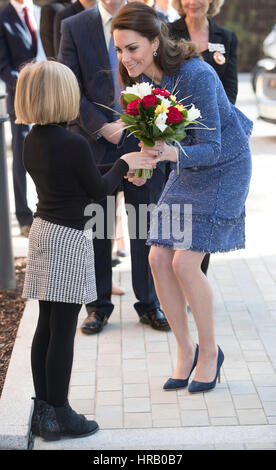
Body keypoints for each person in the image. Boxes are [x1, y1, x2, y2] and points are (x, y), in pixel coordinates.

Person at [111, 2, 252, 393]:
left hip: (225, 166)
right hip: (187, 167)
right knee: (158, 257)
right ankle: (185, 349)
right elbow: (152, 137)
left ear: (155, 43)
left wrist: (168, 155)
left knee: (187, 263)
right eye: (119, 49)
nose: (125, 58)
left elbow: (212, 145)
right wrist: (143, 168)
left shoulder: (196, 75)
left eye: (133, 48)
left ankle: (210, 353)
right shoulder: (141, 84)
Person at [15, 60, 156, 440]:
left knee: (47, 325)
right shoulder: (74, 143)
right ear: (61, 96)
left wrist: (120, 164)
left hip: (43, 233)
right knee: (63, 331)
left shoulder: (33, 140)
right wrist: (125, 162)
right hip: (68, 239)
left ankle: (43, 410)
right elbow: (98, 190)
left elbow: (78, 178)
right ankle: (61, 412)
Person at [58, 0, 170, 335]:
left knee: (145, 227)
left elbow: (167, 80)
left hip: (144, 142)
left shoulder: (155, 20)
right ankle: (97, 307)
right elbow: (70, 84)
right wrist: (100, 126)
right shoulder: (74, 25)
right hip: (94, 145)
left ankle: (150, 303)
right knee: (98, 229)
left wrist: (141, 125)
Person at [168, 0, 238, 277]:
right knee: (177, 217)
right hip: (177, 137)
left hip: (212, 141)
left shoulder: (226, 37)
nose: (193, 2)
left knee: (203, 217)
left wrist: (212, 125)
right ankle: (173, 285)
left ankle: (197, 279)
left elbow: (230, 89)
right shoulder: (168, 33)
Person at [0, 0, 46, 237]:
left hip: (49, 96)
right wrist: (29, 82)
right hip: (20, 99)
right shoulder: (3, 16)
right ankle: (23, 216)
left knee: (48, 153)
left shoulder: (41, 12)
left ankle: (45, 210)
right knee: (21, 157)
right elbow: (3, 66)